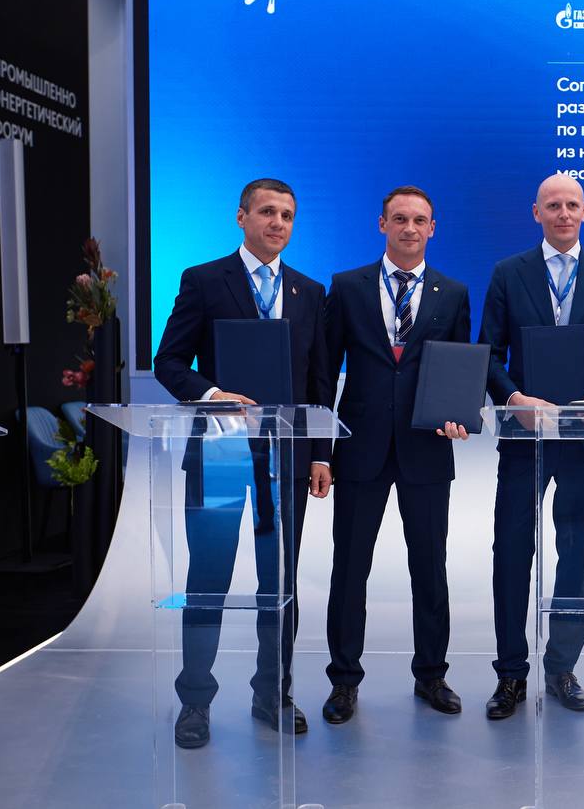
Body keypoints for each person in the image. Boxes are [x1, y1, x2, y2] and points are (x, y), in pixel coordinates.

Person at [154, 177, 333, 748]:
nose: (277, 223)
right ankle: (195, 702)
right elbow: (169, 362)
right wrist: (212, 395)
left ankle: (272, 693)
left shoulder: (310, 292)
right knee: (208, 579)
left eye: (287, 215)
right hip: (220, 451)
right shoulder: (204, 280)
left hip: (286, 457)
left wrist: (321, 454)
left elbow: (320, 383)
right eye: (267, 212)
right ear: (241, 217)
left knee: (279, 583)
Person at [478, 173, 584, 719]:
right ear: (536, 212)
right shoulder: (508, 273)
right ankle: (510, 674)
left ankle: (562, 667)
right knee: (511, 550)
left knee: (577, 551)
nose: (563, 213)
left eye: (572, 205)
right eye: (553, 205)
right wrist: (513, 397)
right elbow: (488, 351)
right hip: (525, 433)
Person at [320, 185, 472, 724]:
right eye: (400, 219)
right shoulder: (347, 287)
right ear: (381, 224)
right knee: (349, 569)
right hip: (359, 449)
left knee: (430, 568)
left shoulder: (453, 293)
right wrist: (321, 452)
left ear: (433, 228)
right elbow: (323, 373)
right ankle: (343, 681)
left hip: (426, 448)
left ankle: (431, 675)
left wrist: (458, 414)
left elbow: (458, 367)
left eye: (420, 220)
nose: (410, 228)